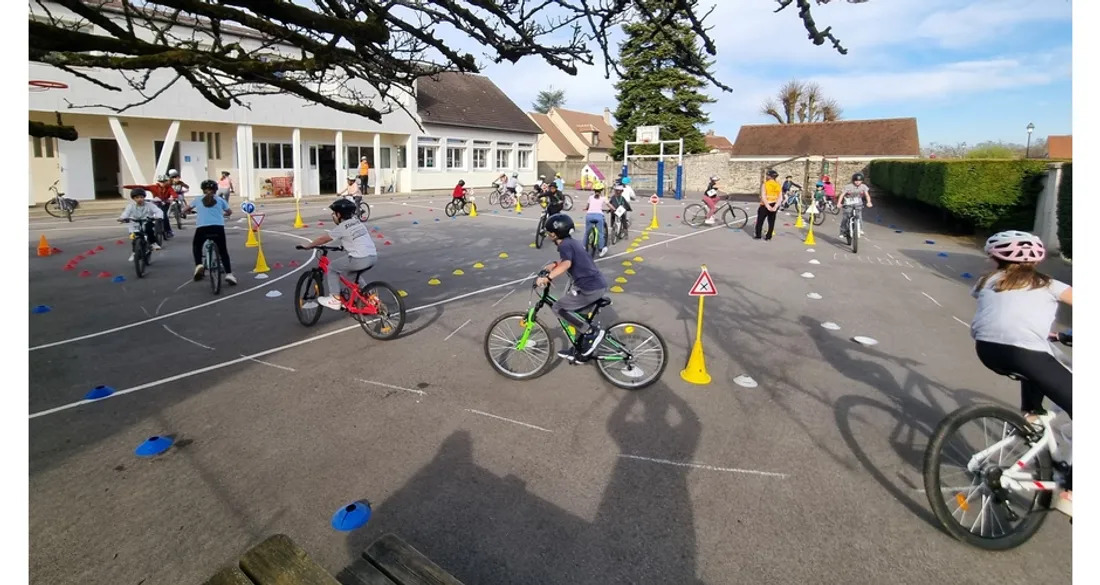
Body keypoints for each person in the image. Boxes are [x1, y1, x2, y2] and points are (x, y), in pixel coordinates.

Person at [969, 230, 1073, 506]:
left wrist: (1055, 336)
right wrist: (1067, 334)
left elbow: (1008, 314)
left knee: (1042, 358)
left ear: (995, 258)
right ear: (1036, 261)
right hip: (1027, 353)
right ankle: (1073, 491)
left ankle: (1031, 415)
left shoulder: (988, 281)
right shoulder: (1049, 284)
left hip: (988, 350)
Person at [536, 213, 609, 361]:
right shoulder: (572, 243)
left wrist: (547, 278)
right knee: (578, 316)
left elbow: (567, 264)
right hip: (597, 285)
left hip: (589, 288)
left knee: (558, 308)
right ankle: (581, 350)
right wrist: (555, 265)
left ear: (555, 234)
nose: (549, 235)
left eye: (550, 232)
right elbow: (569, 259)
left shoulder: (564, 245)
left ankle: (590, 333)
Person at [301, 199, 379, 310]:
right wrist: (343, 247)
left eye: (334, 213)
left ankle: (335, 299)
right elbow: (355, 238)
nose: (333, 215)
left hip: (360, 259)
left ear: (339, 214)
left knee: (332, 267)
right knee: (352, 275)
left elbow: (324, 239)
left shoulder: (342, 227)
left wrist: (309, 246)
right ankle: (371, 297)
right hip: (372, 256)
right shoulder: (357, 221)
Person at [186, 180, 237, 285]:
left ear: (203, 190)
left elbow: (186, 209)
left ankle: (199, 264)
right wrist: (225, 213)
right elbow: (229, 211)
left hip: (202, 228)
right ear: (215, 190)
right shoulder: (220, 200)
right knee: (223, 251)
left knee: (197, 245)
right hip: (217, 227)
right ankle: (229, 274)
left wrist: (185, 212)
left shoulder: (198, 199)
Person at [122, 174, 177, 239]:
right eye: (161, 182)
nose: (162, 183)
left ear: (167, 181)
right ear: (158, 182)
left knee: (164, 215)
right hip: (156, 202)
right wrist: (125, 186)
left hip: (165, 203)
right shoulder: (154, 187)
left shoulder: (169, 187)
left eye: (164, 181)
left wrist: (172, 198)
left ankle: (168, 230)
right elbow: (142, 187)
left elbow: (174, 194)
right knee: (148, 215)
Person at [117, 188, 164, 261]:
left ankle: (153, 243)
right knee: (134, 238)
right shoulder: (131, 206)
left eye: (141, 197)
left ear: (144, 197)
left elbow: (158, 211)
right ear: (133, 198)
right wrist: (122, 218)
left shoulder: (149, 205)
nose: (139, 199)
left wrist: (158, 217)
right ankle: (134, 252)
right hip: (134, 223)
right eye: (137, 197)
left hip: (146, 221)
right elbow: (126, 213)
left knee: (149, 230)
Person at [838, 172, 872, 240]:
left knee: (859, 216)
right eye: (856, 181)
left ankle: (860, 229)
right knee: (846, 217)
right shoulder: (848, 186)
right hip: (848, 202)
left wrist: (869, 202)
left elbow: (867, 195)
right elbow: (842, 195)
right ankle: (842, 231)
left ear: (862, 181)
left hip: (858, 203)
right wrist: (839, 203)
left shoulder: (863, 186)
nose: (857, 182)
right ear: (853, 180)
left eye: (859, 181)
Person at [754, 169, 782, 240]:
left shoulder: (765, 184)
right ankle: (768, 236)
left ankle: (758, 235)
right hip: (774, 204)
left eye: (767, 175)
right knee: (771, 222)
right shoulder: (778, 185)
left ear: (769, 176)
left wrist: (767, 206)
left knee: (760, 221)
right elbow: (780, 198)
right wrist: (775, 206)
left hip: (765, 205)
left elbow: (763, 196)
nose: (766, 177)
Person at [585, 183, 611, 256]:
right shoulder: (603, 198)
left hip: (589, 215)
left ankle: (584, 247)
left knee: (587, 232)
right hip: (599, 216)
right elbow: (610, 206)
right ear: (601, 190)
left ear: (594, 190)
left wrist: (586, 208)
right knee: (600, 233)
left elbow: (587, 206)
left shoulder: (590, 197)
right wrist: (614, 209)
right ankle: (601, 249)